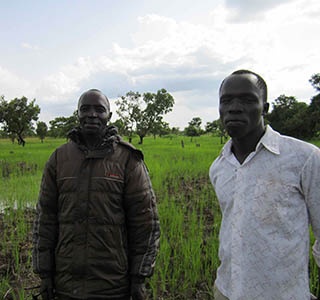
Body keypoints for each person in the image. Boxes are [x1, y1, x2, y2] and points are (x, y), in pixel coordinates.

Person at [32, 89, 160, 300]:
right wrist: (44, 274)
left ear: (109, 116)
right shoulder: (59, 158)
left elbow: (146, 223)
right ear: (78, 114)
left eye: (99, 109)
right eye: (85, 109)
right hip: (65, 284)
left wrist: (139, 278)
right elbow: (45, 220)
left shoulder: (128, 159)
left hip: (113, 285)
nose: (92, 114)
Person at [209, 70, 320, 300]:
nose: (235, 107)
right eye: (226, 101)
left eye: (247, 100)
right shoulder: (219, 167)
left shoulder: (304, 158)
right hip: (226, 290)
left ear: (265, 108)